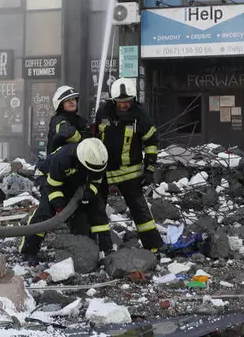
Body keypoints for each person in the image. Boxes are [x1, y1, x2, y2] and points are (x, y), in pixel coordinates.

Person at [94, 78, 163, 252]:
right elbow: (94, 136)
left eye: (127, 102)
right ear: (113, 100)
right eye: (120, 102)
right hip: (103, 171)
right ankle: (101, 249)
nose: (124, 105)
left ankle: (153, 246)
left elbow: (152, 142)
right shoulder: (103, 111)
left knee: (140, 210)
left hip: (129, 172)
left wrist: (149, 169)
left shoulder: (141, 116)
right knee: (97, 209)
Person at [19, 137, 111, 263]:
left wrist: (89, 194)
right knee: (45, 212)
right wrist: (61, 209)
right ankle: (29, 251)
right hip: (48, 176)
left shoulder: (97, 162)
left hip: (73, 179)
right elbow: (53, 187)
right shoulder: (63, 159)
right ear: (82, 161)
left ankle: (103, 248)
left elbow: (96, 181)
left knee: (94, 210)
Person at [47, 85, 88, 154]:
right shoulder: (57, 120)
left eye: (73, 99)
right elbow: (67, 133)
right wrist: (83, 140)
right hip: (59, 163)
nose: (72, 102)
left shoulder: (81, 120)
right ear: (60, 104)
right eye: (68, 100)